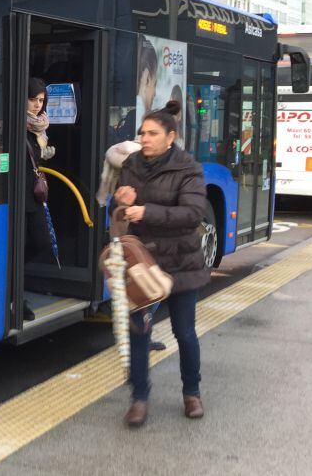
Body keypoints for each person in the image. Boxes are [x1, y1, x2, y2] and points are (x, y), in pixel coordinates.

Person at [113, 100, 210, 427]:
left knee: (184, 332)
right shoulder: (130, 164)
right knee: (139, 331)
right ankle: (139, 398)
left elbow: (193, 214)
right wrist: (122, 202)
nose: (145, 138)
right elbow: (122, 210)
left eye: (153, 133)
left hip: (181, 262)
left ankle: (192, 393)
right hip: (144, 263)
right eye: (142, 132)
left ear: (171, 137)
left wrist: (146, 211)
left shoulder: (188, 168)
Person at [22, 78, 54, 320]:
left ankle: (13, 283)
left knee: (42, 242)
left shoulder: (39, 128)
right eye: (32, 99)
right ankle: (16, 296)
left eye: (40, 100)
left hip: (32, 197)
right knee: (18, 245)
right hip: (16, 197)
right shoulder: (16, 125)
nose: (36, 105)